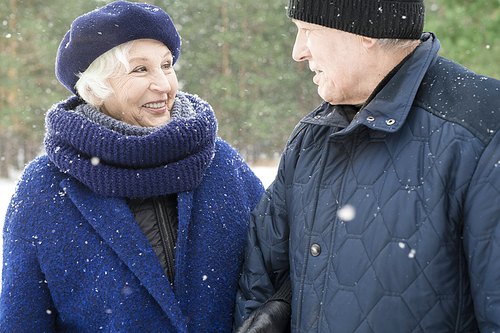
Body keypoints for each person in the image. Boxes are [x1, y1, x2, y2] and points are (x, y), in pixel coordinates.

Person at [234, 0, 500, 331]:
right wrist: (285, 303)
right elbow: (261, 278)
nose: (298, 51)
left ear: (366, 31)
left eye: (308, 31)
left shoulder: (483, 130)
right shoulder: (312, 138)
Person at [0, 1, 264, 332]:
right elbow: (22, 320)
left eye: (167, 66)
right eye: (141, 70)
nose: (164, 85)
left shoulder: (222, 164)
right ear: (95, 88)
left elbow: (278, 276)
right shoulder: (46, 187)